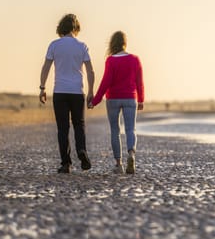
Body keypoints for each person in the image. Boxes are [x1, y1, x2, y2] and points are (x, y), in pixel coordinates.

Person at [39, 14, 95, 174]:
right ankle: (82, 151)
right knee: (79, 124)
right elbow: (90, 70)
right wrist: (91, 91)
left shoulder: (54, 45)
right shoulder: (82, 46)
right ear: (76, 28)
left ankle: (66, 163)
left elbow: (46, 68)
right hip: (77, 92)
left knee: (63, 128)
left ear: (61, 28)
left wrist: (42, 88)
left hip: (60, 92)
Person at [89, 31, 144, 174]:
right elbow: (140, 82)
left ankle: (118, 164)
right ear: (125, 42)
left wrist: (95, 101)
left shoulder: (111, 60)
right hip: (130, 98)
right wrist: (141, 99)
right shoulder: (135, 59)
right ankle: (131, 154)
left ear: (113, 43)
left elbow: (105, 82)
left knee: (115, 131)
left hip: (113, 98)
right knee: (130, 129)